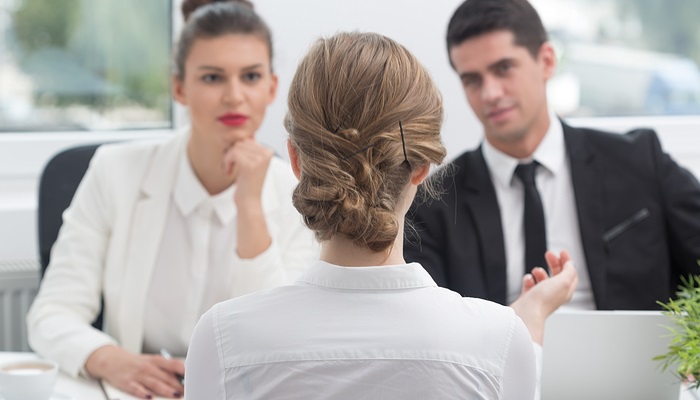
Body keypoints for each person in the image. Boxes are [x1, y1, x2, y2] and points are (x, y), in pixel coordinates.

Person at [184, 31, 576, 400]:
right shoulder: (499, 338)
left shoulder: (221, 338)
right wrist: (529, 321)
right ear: (420, 167)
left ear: (295, 159)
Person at [26, 1, 318, 398]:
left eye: (250, 76)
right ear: (179, 87)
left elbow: (280, 341)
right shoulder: (115, 171)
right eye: (213, 78)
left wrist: (250, 209)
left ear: (271, 87)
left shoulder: (296, 194)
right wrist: (112, 359)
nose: (235, 96)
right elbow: (51, 314)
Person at [404, 0, 700, 311]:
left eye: (503, 68)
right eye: (472, 80)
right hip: (499, 354)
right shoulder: (434, 203)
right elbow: (426, 324)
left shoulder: (639, 161)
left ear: (547, 60)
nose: (489, 93)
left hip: (631, 357)